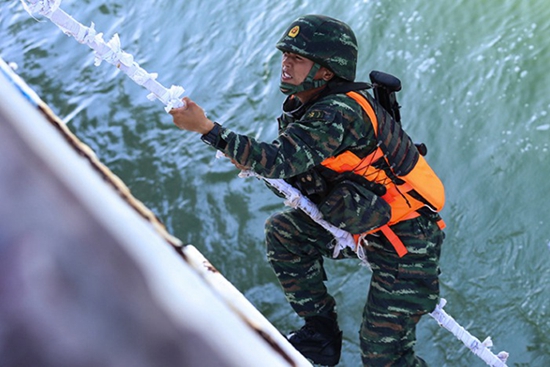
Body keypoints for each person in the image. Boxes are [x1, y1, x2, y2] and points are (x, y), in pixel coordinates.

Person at [170, 14, 446, 367]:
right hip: (367, 226)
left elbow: (277, 160)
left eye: (297, 58)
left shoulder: (337, 112)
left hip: (408, 243)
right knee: (285, 233)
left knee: (384, 357)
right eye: (286, 54)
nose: (286, 63)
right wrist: (253, 159)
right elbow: (294, 175)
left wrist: (207, 129)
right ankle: (321, 335)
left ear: (327, 71)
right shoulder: (311, 107)